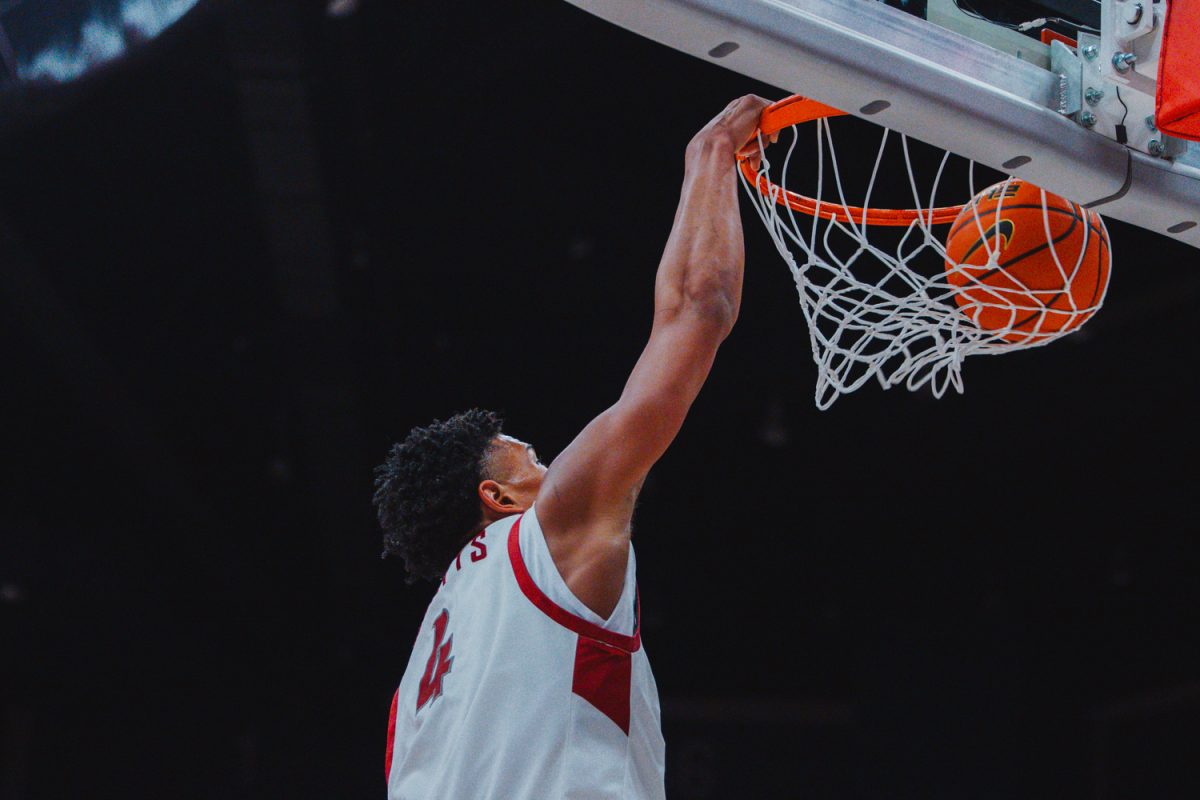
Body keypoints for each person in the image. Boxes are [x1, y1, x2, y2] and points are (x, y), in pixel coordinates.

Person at [373, 94, 772, 799]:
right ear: (496, 497)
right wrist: (709, 155)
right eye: (529, 456)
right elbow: (695, 311)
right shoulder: (547, 534)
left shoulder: (416, 688)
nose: (553, 465)